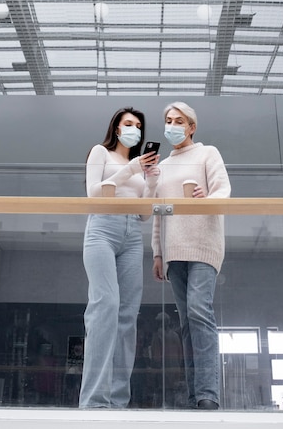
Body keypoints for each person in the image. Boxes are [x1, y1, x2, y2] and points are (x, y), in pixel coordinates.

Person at [151, 102, 231, 410]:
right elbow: (158, 213)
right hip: (174, 250)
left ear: (191, 126)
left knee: (200, 311)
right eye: (169, 120)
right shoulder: (164, 166)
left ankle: (208, 394)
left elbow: (223, 190)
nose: (172, 125)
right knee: (186, 323)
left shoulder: (208, 153)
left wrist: (206, 198)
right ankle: (194, 396)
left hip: (204, 244)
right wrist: (158, 253)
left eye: (178, 120)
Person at [79, 106, 159, 409]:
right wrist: (131, 169)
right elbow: (93, 194)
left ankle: (117, 401)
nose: (134, 130)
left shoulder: (138, 167)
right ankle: (94, 401)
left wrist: (150, 182)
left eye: (138, 126)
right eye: (128, 124)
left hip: (131, 233)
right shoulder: (100, 152)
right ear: (116, 128)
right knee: (105, 306)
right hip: (102, 228)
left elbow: (143, 214)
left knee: (127, 315)